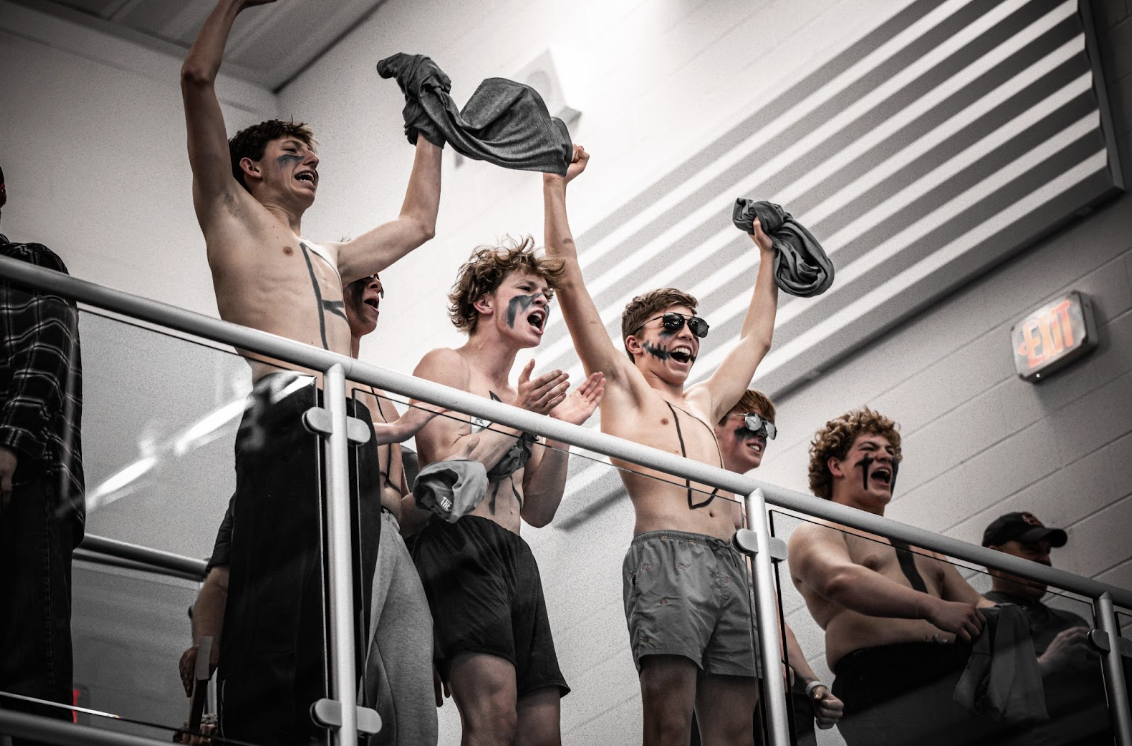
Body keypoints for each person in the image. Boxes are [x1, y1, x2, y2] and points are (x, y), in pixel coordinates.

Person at [181, 0, 442, 740]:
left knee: (341, 605)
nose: (310, 162)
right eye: (293, 151)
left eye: (315, 155)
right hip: (285, 414)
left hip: (347, 425)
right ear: (251, 167)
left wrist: (429, 127)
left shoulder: (330, 256)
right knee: (280, 600)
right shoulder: (228, 214)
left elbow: (419, 224)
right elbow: (197, 78)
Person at [543, 146, 780, 746]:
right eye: (670, 325)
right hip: (666, 557)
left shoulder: (704, 402)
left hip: (730, 563)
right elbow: (566, 275)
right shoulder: (625, 390)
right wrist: (554, 186)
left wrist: (768, 258)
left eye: (694, 327)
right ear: (634, 343)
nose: (687, 336)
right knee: (670, 725)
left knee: (737, 736)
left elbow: (755, 339)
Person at [176, 275, 442, 746]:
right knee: (330, 684)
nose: (378, 285)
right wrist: (204, 651)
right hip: (327, 520)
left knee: (410, 701)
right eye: (364, 278)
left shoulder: (380, 390)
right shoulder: (302, 386)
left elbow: (396, 506)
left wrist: (433, 497)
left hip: (388, 539)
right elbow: (219, 578)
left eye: (382, 280)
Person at [407, 237, 604, 746]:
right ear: (484, 302)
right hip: (459, 540)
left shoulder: (520, 398)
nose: (543, 301)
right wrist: (519, 418)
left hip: (515, 552)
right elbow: (448, 472)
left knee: (541, 732)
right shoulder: (447, 366)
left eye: (547, 295)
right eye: (528, 289)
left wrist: (559, 430)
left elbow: (539, 509)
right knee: (494, 721)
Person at [787, 407, 997, 746]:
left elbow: (975, 603)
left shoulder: (920, 543)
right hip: (880, 678)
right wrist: (930, 607)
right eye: (869, 451)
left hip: (953, 675)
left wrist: (1015, 621)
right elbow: (838, 579)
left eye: (890, 453)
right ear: (836, 465)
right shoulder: (816, 529)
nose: (884, 457)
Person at [0, 163, 85, 745]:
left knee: (34, 680)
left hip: (27, 482)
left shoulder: (31, 262)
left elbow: (47, 344)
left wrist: (5, 446)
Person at [711, 390, 843, 745]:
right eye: (751, 420)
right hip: (729, 676)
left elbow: (766, 609)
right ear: (713, 424)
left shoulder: (742, 506)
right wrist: (761, 663)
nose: (761, 433)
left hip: (774, 678)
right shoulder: (694, 495)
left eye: (768, 427)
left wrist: (811, 681)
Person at [983, 511, 1111, 746]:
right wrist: (1047, 663)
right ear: (994, 558)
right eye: (1032, 549)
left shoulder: (1072, 622)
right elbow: (978, 701)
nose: (1045, 560)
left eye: (1047, 551)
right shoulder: (979, 620)